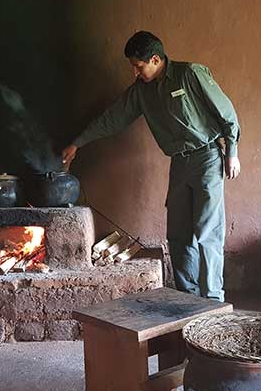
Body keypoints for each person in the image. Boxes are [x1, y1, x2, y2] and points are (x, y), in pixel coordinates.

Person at [61, 31, 240, 302]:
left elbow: (227, 113)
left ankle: (213, 301)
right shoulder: (141, 92)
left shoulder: (190, 74)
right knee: (178, 235)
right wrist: (77, 143)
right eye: (132, 66)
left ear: (155, 59)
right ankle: (187, 299)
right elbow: (112, 119)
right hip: (179, 164)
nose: (134, 72)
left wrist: (232, 153)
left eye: (138, 66)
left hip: (207, 159)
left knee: (207, 233)